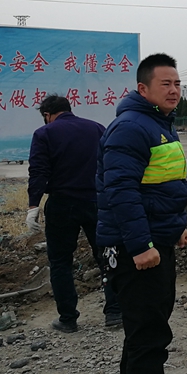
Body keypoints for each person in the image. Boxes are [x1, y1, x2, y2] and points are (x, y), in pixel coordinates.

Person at [96, 53, 187, 374]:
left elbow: (163, 186)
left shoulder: (160, 124)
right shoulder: (131, 128)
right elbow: (121, 191)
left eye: (177, 83)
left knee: (146, 330)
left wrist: (176, 227)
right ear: (143, 88)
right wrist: (140, 246)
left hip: (156, 240)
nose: (174, 90)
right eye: (165, 84)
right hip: (135, 249)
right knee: (149, 334)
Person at [27, 95, 121, 333]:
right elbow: (111, 163)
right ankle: (114, 312)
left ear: (47, 115)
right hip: (96, 201)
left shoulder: (44, 134)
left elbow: (38, 171)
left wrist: (33, 205)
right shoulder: (96, 128)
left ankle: (68, 319)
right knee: (106, 255)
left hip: (62, 204)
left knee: (60, 262)